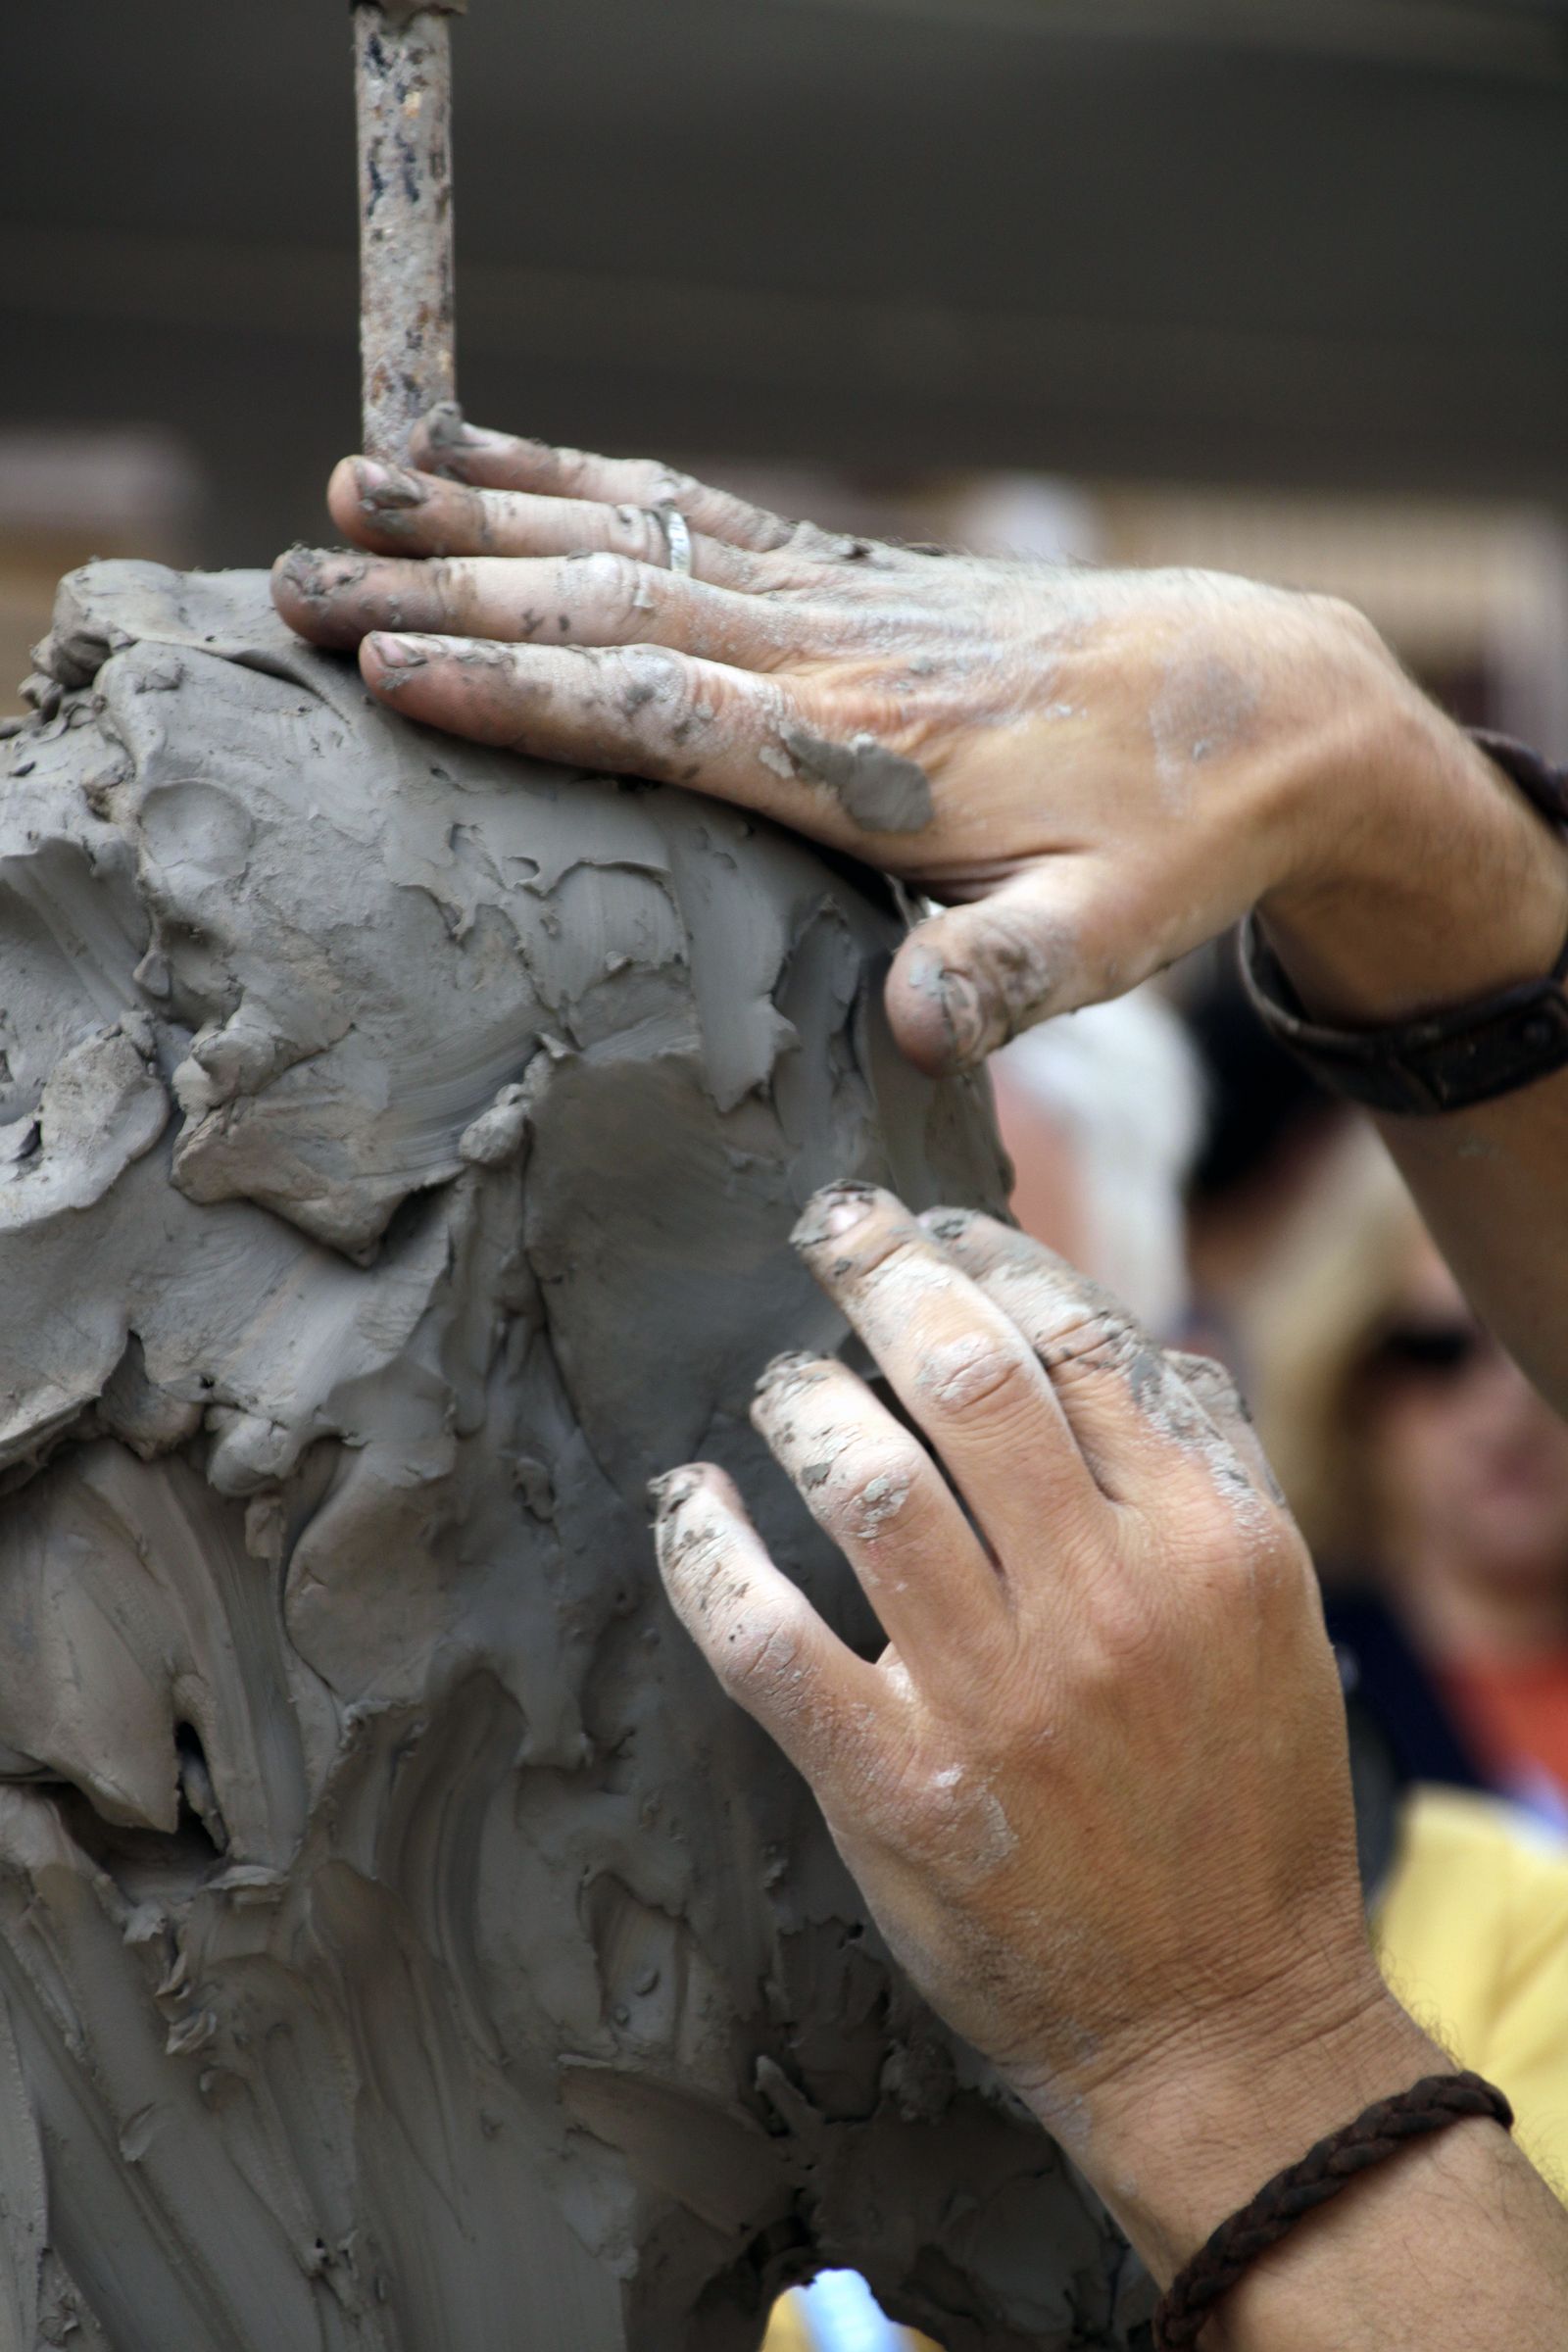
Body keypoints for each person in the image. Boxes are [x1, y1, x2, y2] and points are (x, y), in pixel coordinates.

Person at [273, 420, 1568, 2350]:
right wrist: (1413, 848)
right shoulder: (370, 2056)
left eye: (959, 1358)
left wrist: (1231, 2037)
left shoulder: (1518, 1959)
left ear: (1181, 1393)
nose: (842, 1475)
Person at [1247, 1126, 1568, 1822]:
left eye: (1549, 1350)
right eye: (1438, 1350)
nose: (1508, 1401)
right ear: (1349, 1378)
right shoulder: (1278, 1691)